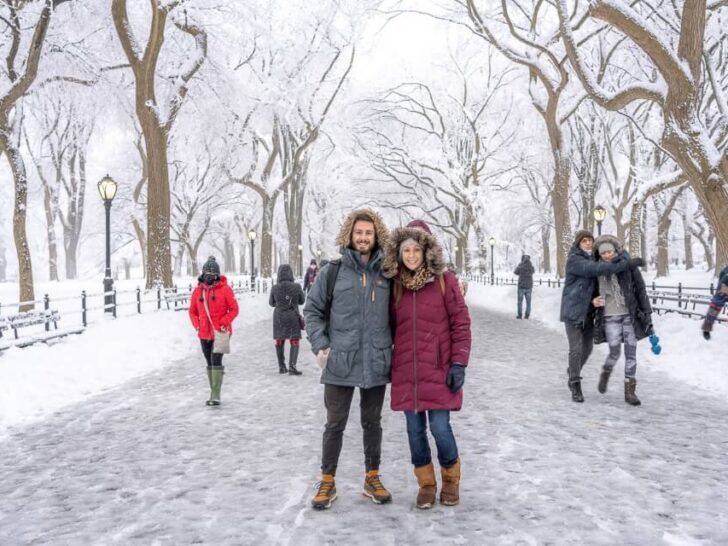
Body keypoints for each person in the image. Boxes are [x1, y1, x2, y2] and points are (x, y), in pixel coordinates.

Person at [304, 208, 393, 510]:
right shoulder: (333, 271)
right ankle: (327, 480)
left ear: (376, 235)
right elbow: (312, 311)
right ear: (350, 235)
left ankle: (372, 476)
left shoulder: (387, 274)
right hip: (339, 361)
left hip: (376, 362)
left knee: (372, 422)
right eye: (359, 232)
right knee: (334, 424)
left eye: (369, 233)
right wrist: (321, 345)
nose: (364, 237)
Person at [382, 222, 471, 509]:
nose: (410, 255)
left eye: (416, 249)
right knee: (414, 430)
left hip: (439, 369)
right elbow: (387, 327)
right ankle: (426, 484)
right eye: (405, 250)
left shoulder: (445, 281)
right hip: (407, 370)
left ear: (426, 251)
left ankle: (451, 480)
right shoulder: (395, 286)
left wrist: (459, 362)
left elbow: (461, 323)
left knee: (440, 427)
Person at [559, 230, 641, 403]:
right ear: (578, 244)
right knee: (576, 349)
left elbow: (598, 284)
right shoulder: (575, 260)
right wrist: (627, 263)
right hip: (573, 313)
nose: (588, 243)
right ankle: (575, 383)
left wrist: (622, 253)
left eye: (590, 240)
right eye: (584, 241)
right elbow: (596, 269)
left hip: (588, 313)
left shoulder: (593, 259)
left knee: (587, 349)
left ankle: (573, 370)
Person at [591, 236, 654, 406]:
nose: (606, 255)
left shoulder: (629, 266)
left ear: (616, 250)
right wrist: (593, 301)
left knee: (631, 353)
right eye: (603, 253)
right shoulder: (595, 269)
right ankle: (606, 372)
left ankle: (630, 391)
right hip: (609, 316)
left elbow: (640, 289)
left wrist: (647, 312)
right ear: (599, 254)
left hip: (629, 315)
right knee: (614, 352)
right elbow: (590, 293)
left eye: (609, 251)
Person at [188, 256, 239, 406]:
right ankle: (213, 389)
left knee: (216, 359)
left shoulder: (225, 290)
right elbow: (192, 311)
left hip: (221, 332)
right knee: (209, 360)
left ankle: (215, 394)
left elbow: (234, 309)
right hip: (203, 332)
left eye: (212, 274)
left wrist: (224, 322)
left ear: (217, 275)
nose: (209, 277)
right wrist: (197, 325)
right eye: (206, 274)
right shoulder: (197, 292)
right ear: (203, 274)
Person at [269, 264, 305, 375]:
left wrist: (280, 303)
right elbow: (301, 301)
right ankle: (292, 367)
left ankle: (281, 366)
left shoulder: (275, 287)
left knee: (279, 340)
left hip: (279, 316)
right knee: (294, 340)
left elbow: (271, 303)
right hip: (292, 315)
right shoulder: (296, 287)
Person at [702, 264, 728, 340]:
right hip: (724, 287)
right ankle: (706, 329)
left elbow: (721, 273)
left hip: (723, 285)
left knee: (715, 305)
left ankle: (706, 329)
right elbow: (722, 274)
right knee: (715, 306)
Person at [514, 254, 535, 319]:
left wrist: (519, 265)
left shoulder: (521, 266)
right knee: (528, 302)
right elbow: (533, 272)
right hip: (529, 286)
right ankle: (527, 315)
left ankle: (519, 315)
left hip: (521, 286)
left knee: (520, 302)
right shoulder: (531, 267)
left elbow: (515, 272)